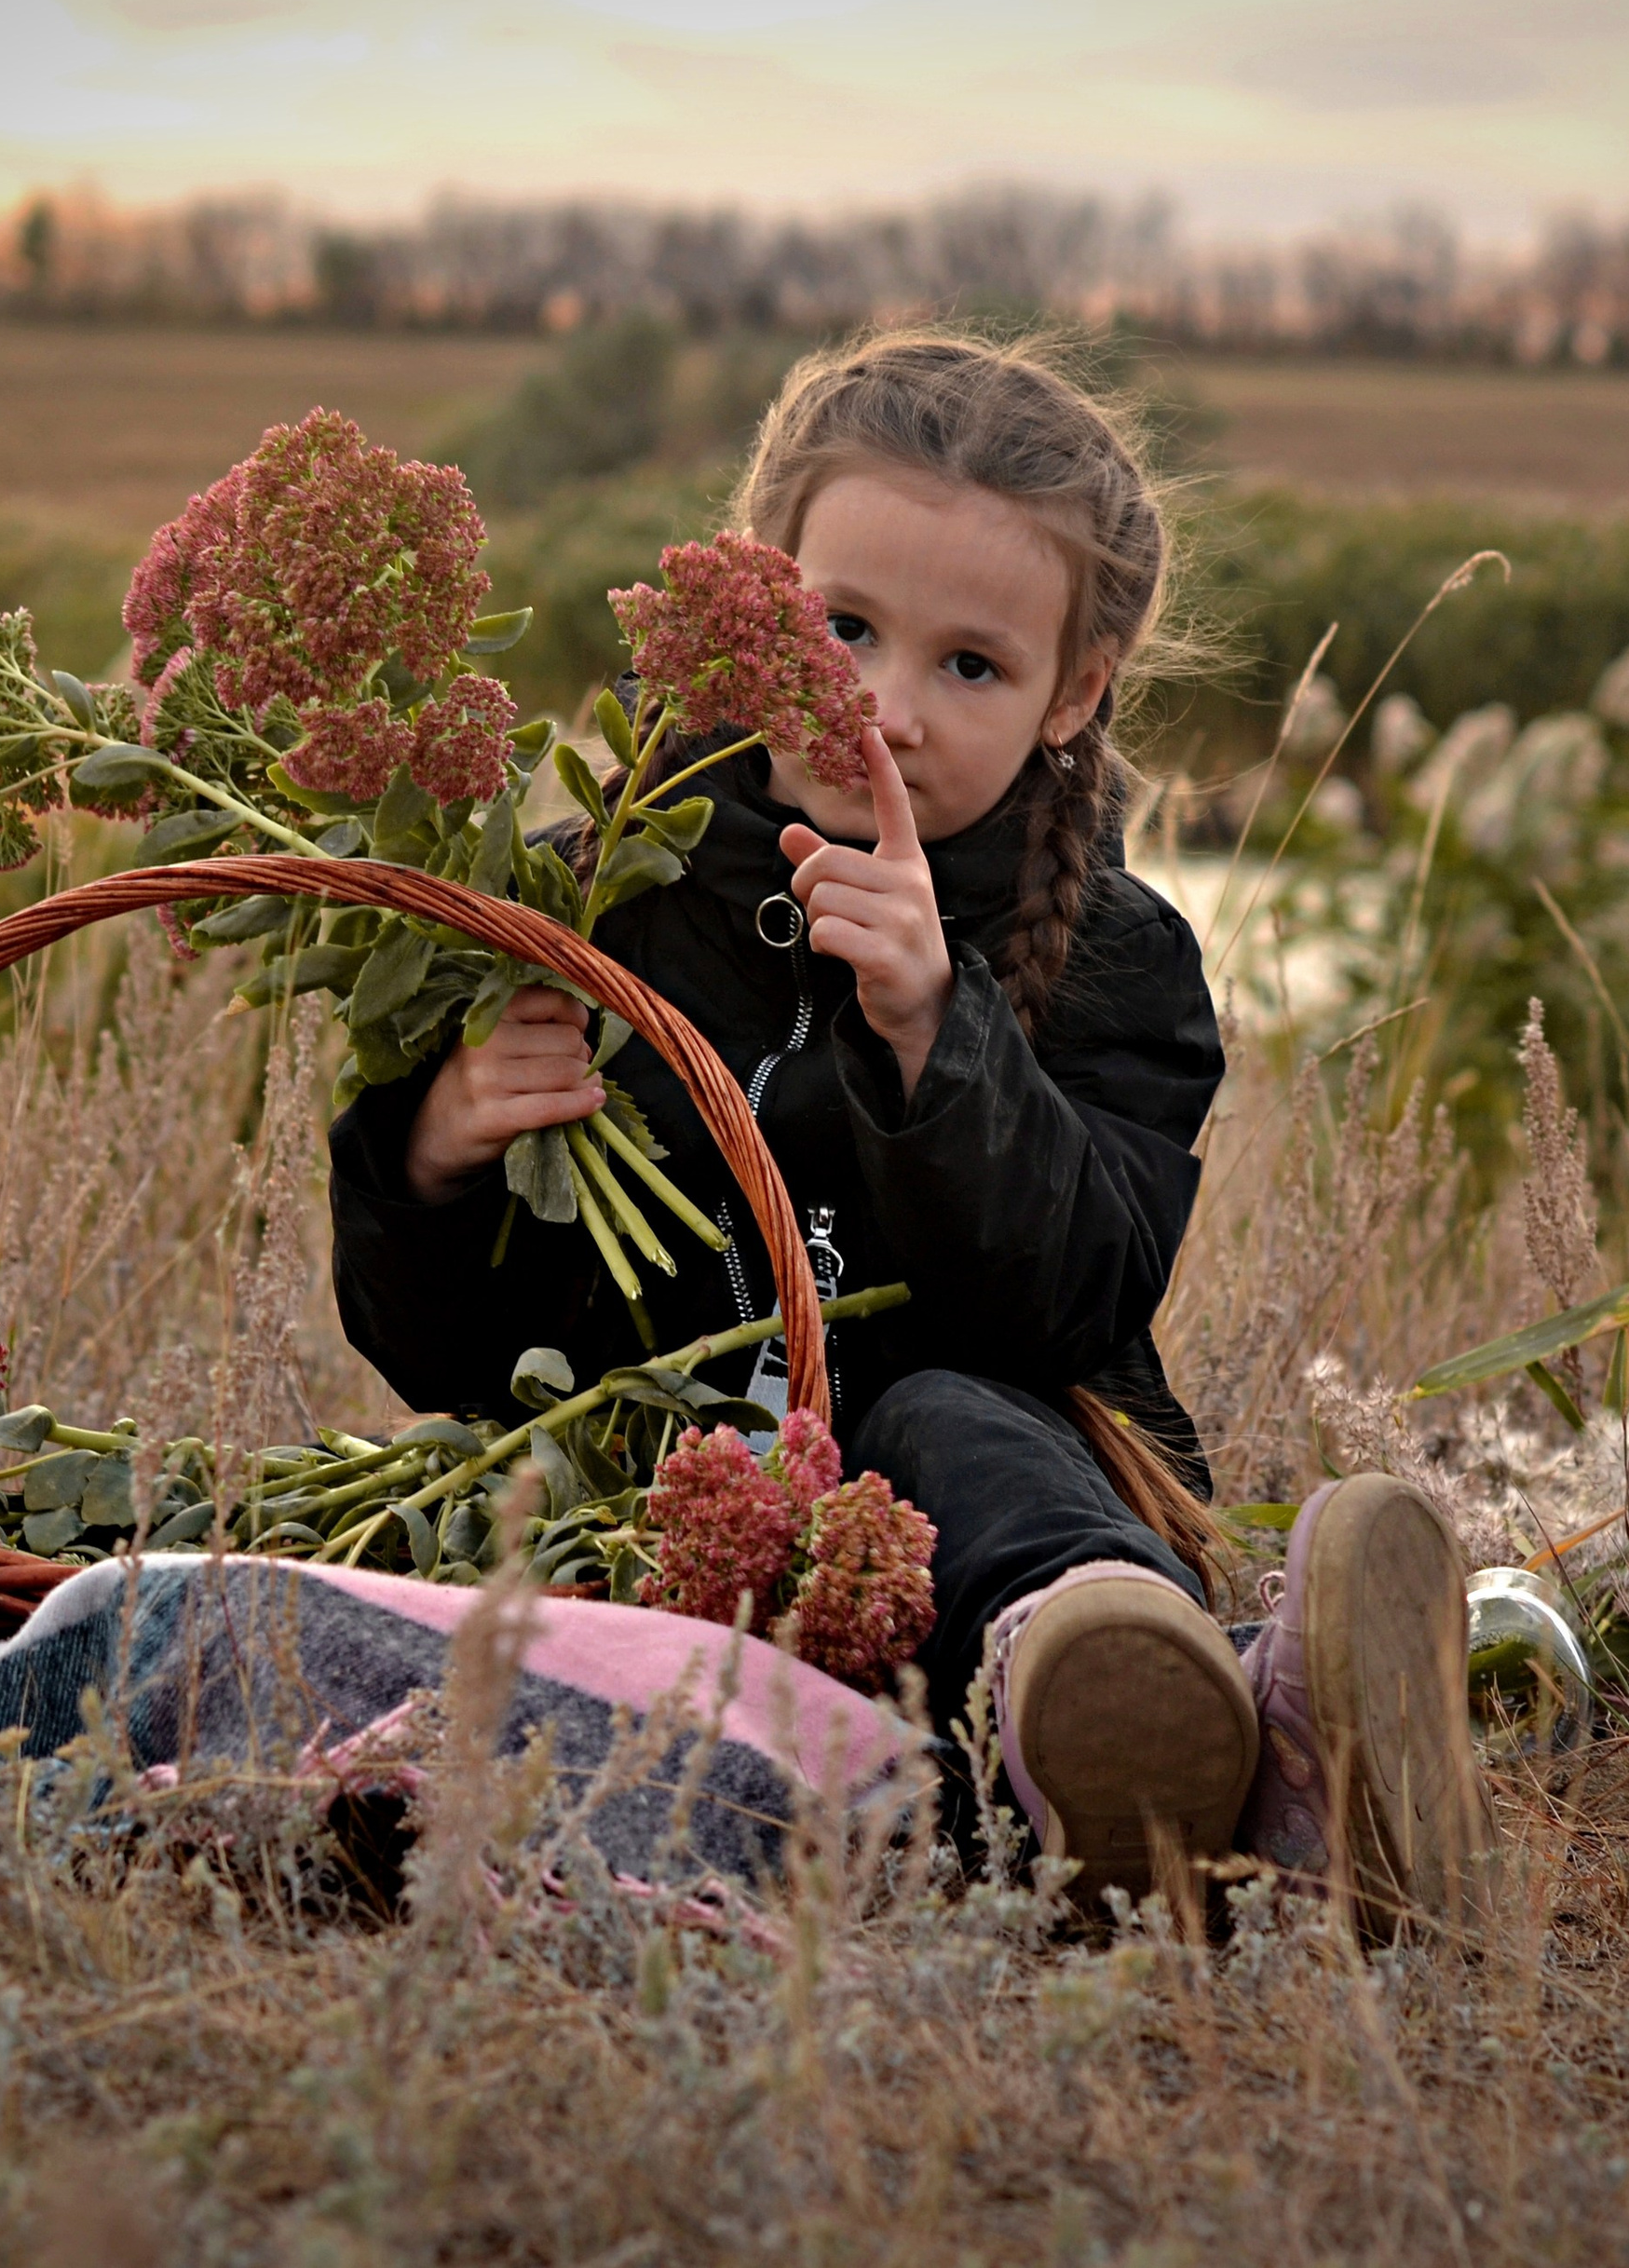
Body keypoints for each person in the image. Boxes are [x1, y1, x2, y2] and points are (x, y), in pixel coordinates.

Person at [328, 330, 1491, 1924]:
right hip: (662, 1501)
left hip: (978, 1521)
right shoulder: (589, 894)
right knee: (513, 1515)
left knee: (936, 1418)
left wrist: (945, 1039)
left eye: (971, 665)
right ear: (750, 597)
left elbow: (1076, 1298)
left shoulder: (1115, 961)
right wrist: (441, 1154)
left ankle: (1126, 1694)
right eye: (842, 628)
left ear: (1074, 693)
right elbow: (455, 1357)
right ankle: (1258, 1775)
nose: (883, 707)